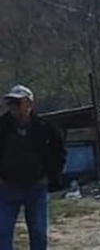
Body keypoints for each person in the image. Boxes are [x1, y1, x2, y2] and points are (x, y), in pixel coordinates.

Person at [0, 84, 66, 250]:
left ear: (29, 104)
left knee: (38, 233)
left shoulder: (45, 127)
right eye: (10, 103)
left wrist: (50, 177)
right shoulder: (1, 126)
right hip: (7, 187)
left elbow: (59, 153)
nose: (13, 107)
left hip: (36, 187)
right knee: (2, 231)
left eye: (17, 102)